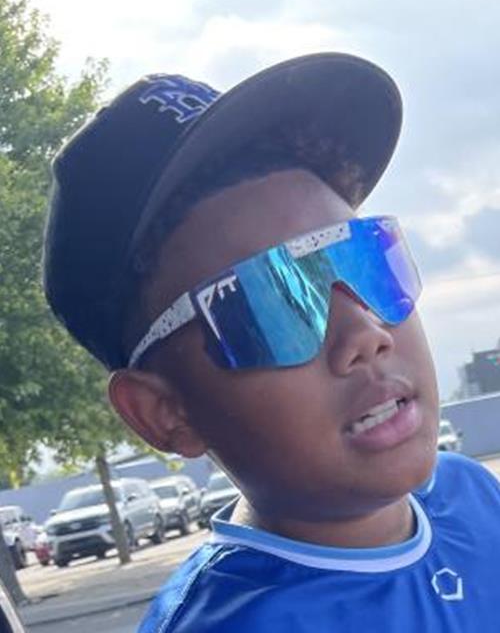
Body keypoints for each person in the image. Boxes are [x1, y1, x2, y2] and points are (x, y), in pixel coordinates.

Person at [42, 53, 500, 632]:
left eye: (364, 260)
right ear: (166, 412)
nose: (365, 333)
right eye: (273, 302)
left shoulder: (469, 494)